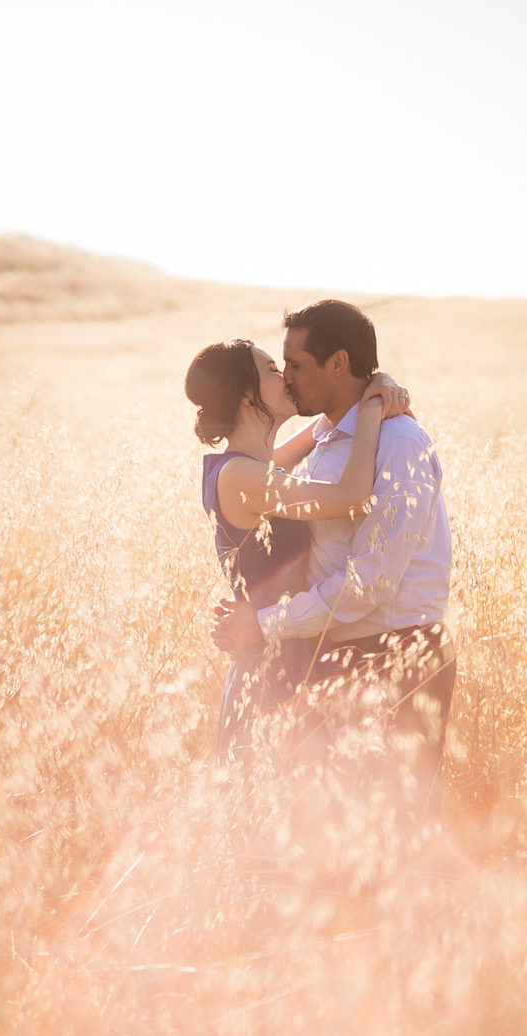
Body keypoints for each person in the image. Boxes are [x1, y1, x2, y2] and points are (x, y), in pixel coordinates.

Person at [210, 300, 455, 798]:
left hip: (394, 659)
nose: (289, 380)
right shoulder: (319, 441)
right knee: (313, 839)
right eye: (281, 370)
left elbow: (371, 586)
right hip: (324, 655)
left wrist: (261, 624)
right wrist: (371, 394)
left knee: (386, 836)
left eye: (296, 366)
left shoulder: (398, 442)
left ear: (338, 364)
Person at [186, 338, 409, 756]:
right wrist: (375, 407)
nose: (285, 375)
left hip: (294, 652)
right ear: (246, 398)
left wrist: (377, 384)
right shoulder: (239, 476)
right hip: (270, 670)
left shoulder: (255, 467)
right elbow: (351, 495)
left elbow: (325, 425)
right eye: (271, 369)